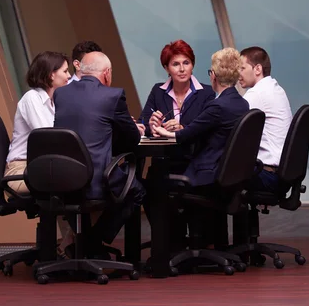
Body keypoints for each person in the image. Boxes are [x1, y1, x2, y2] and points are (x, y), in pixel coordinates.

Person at [154, 48, 248, 248]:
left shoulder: (217, 106)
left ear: (213, 76)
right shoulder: (242, 104)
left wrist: (160, 129)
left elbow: (183, 135)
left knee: (157, 185)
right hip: (228, 175)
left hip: (207, 176)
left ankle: (169, 248)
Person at [54, 52, 145, 256]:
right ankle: (93, 240)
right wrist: (133, 128)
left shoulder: (61, 94)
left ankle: (82, 243)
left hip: (62, 179)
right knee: (136, 190)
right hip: (96, 180)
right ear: (107, 73)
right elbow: (132, 139)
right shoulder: (113, 95)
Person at [139, 40, 215, 250]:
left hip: (196, 162)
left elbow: (209, 130)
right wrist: (152, 124)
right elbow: (143, 124)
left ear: (193, 65)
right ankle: (170, 242)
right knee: (146, 187)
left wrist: (183, 128)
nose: (182, 69)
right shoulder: (158, 92)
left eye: (186, 62)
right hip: (165, 162)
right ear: (166, 68)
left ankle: (194, 241)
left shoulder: (206, 93)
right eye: (175, 64)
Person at [4, 51, 70, 193]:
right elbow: (49, 138)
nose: (69, 76)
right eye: (65, 71)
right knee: (74, 182)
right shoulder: (32, 98)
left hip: (41, 167)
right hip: (21, 171)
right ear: (51, 74)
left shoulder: (54, 103)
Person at [239, 46, 292, 193]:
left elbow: (230, 122)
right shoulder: (276, 89)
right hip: (281, 174)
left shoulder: (257, 93)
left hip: (267, 176)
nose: (238, 73)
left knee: (213, 171)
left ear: (257, 69)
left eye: (242, 68)